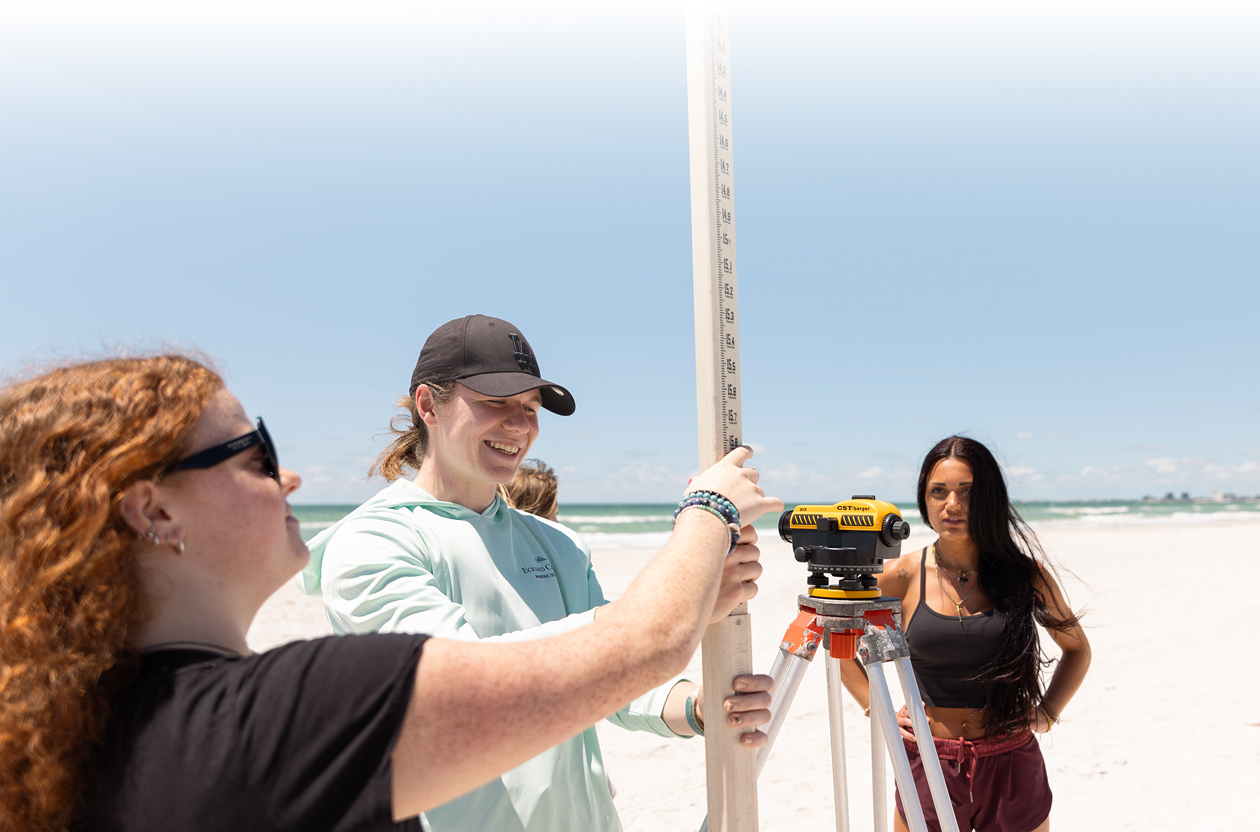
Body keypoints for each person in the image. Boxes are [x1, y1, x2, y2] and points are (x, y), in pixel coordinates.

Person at [0, 353, 782, 832]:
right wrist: (705, 517)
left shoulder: (92, 727)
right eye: (255, 453)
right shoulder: (299, 703)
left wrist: (686, 704)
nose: (292, 477)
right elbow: (514, 676)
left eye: (531, 410)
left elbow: (605, 672)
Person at [300, 314, 770, 832]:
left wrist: (698, 706)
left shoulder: (558, 543)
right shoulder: (372, 542)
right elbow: (468, 691)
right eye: (496, 403)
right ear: (428, 405)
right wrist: (685, 574)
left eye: (530, 407)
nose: (520, 425)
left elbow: (617, 681)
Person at [840, 436, 1090, 832]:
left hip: (1010, 761)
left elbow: (1077, 650)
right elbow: (842, 646)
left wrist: (1046, 713)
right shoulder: (901, 575)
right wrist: (877, 708)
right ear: (925, 499)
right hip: (928, 758)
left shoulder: (1024, 574)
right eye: (938, 492)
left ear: (989, 498)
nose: (951, 505)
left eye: (967, 492)